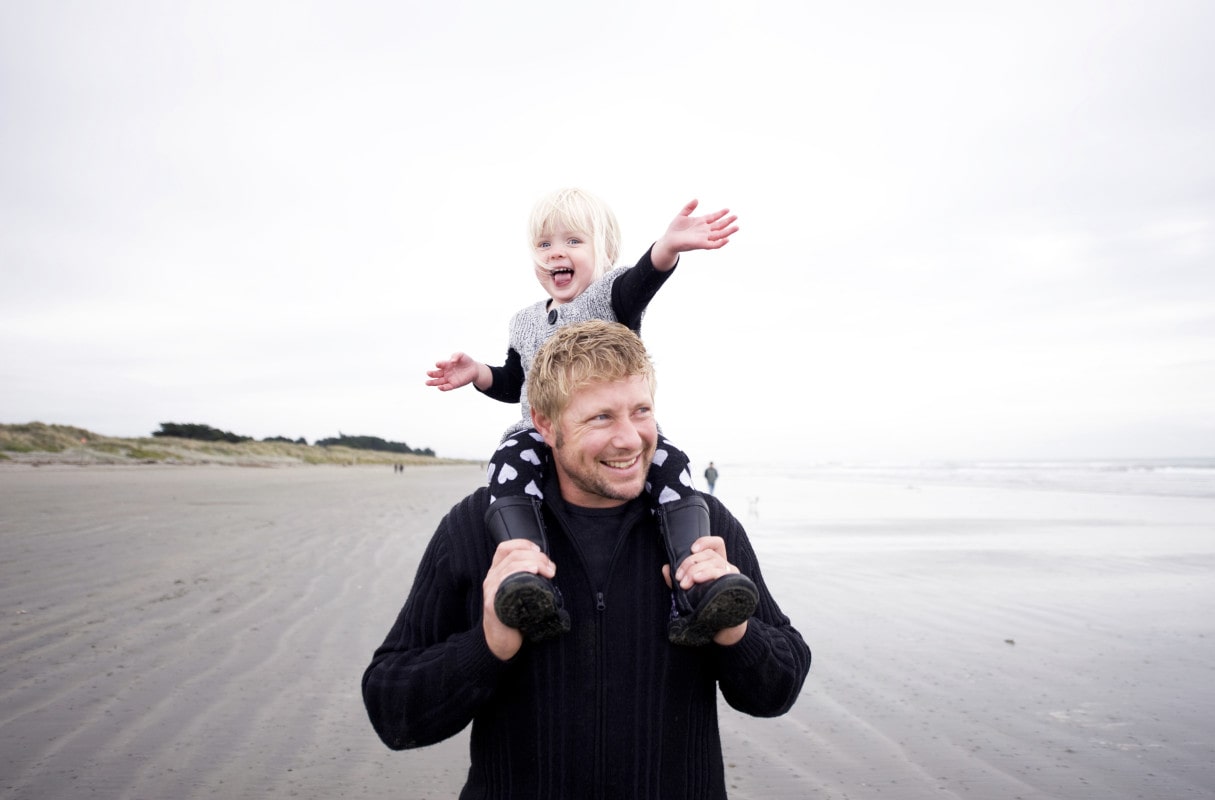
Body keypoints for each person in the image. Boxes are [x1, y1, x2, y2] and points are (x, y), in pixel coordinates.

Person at [364, 320, 811, 799]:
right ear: (545, 423)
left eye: (641, 411)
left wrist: (736, 633)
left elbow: (778, 691)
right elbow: (393, 710)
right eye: (601, 418)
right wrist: (487, 645)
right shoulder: (475, 527)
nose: (630, 439)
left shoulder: (705, 526)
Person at [425, 187, 755, 646]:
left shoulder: (607, 298)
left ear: (605, 252)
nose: (556, 252)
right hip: (538, 432)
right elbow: (516, 382)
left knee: (672, 464)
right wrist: (479, 373)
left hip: (612, 429)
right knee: (506, 464)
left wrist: (667, 247)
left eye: (573, 241)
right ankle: (527, 574)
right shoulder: (523, 322)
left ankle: (695, 579)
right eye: (544, 244)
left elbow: (640, 280)